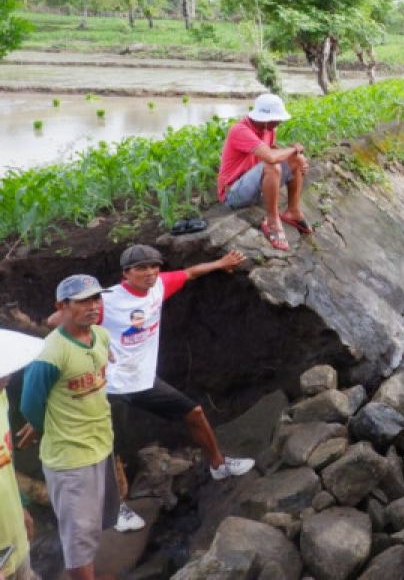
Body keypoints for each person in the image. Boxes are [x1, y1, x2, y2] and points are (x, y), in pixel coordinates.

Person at [98, 245, 254, 505]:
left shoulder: (158, 285)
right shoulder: (107, 299)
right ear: (126, 273)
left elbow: (190, 273)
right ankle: (116, 507)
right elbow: (59, 320)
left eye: (154, 266)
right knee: (112, 448)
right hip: (110, 386)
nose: (150, 273)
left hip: (143, 381)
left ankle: (218, 464)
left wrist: (219, 263)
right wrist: (94, 345)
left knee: (194, 413)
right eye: (141, 268)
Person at [19, 275, 119, 580]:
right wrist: (41, 425)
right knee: (78, 537)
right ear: (62, 307)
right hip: (71, 458)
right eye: (83, 301)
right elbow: (29, 404)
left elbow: (100, 364)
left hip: (101, 444)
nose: (93, 306)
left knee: (94, 526)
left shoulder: (100, 336)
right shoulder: (50, 354)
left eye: (96, 299)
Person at [218, 93, 311, 252]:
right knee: (272, 165)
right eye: (277, 118)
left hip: (253, 188)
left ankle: (293, 211)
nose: (280, 121)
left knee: (295, 159)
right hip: (234, 194)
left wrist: (297, 157)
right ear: (265, 118)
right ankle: (273, 221)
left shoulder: (268, 129)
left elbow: (273, 150)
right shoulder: (240, 130)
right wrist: (294, 149)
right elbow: (270, 157)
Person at [1, 330, 45, 580]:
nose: (8, 376)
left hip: (13, 534)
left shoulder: (1, 396)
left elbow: (4, 465)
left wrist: (21, 509)